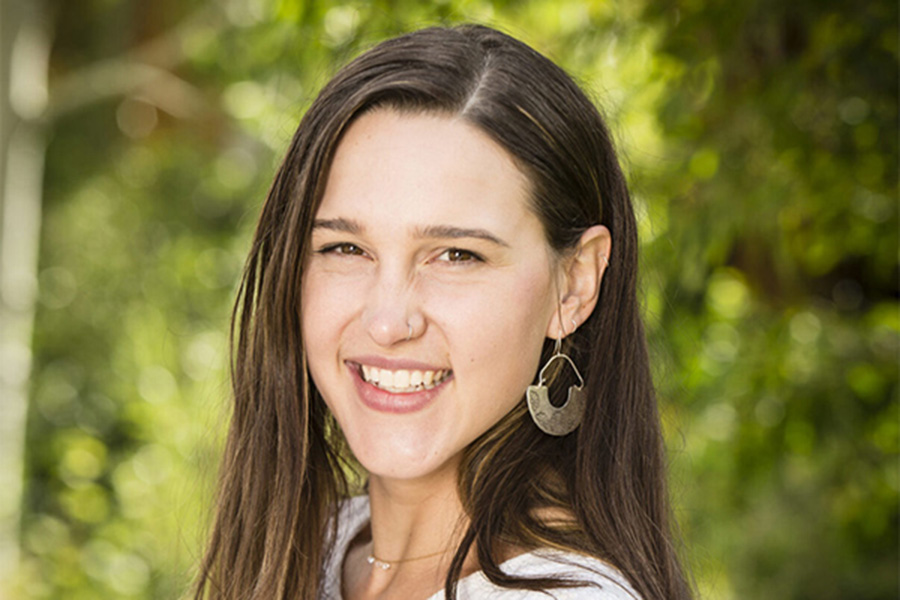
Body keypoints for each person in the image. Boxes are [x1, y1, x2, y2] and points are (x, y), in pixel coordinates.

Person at [193, 24, 691, 600]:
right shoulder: (316, 546)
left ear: (574, 285)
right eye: (345, 248)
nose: (387, 321)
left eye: (456, 255)